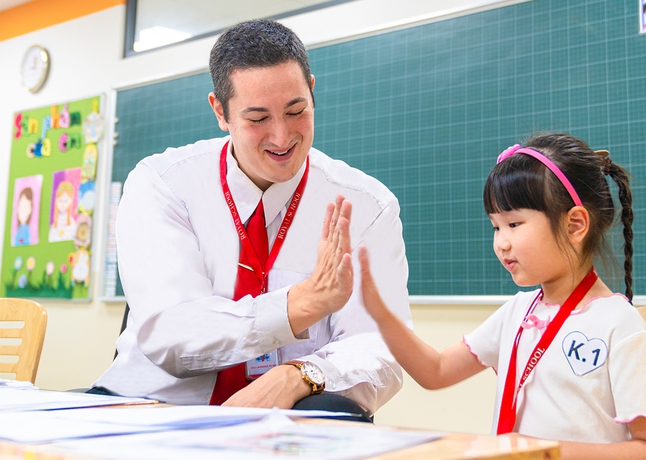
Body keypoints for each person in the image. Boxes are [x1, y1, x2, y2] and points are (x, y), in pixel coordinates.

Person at [93, 19, 412, 419]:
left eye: (297, 110)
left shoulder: (368, 205)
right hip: (154, 406)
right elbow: (172, 335)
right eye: (257, 119)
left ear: (312, 91)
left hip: (285, 419)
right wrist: (298, 306)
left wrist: (300, 374)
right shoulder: (163, 183)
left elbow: (382, 346)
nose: (281, 137)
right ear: (220, 111)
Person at [358, 133, 646, 458]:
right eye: (496, 227)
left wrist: (544, 451)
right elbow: (437, 371)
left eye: (514, 223)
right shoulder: (519, 312)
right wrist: (380, 313)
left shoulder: (619, 326)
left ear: (575, 226)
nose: (501, 243)